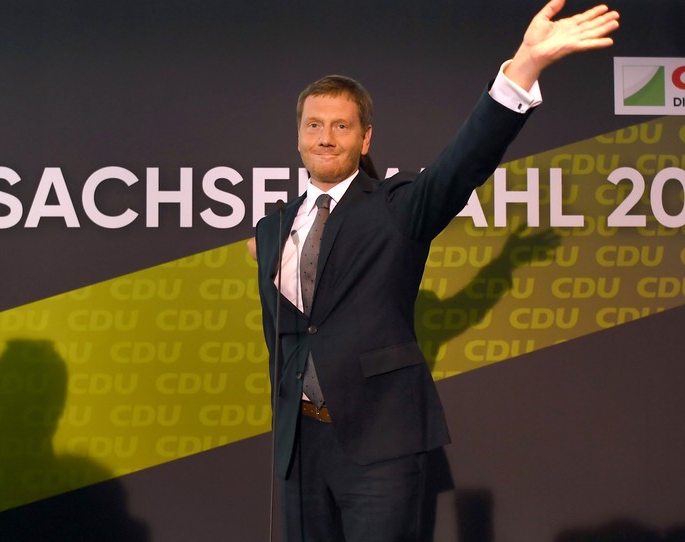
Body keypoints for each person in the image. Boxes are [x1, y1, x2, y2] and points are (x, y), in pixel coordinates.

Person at [253, 1, 620, 540]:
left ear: (365, 139)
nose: (325, 137)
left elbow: (463, 163)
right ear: (299, 135)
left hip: (379, 443)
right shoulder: (273, 226)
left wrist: (525, 66)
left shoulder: (398, 206)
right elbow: (287, 332)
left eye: (340, 125)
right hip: (298, 447)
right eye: (314, 125)